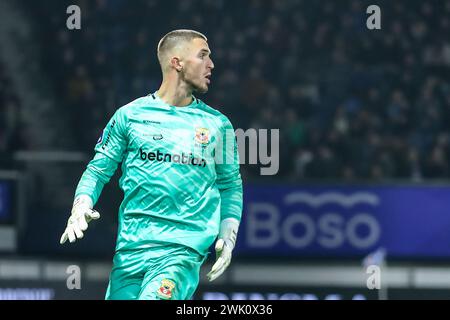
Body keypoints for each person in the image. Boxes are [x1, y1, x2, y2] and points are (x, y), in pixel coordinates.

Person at [59, 29, 243, 300]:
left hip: (180, 250)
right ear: (177, 63)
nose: (211, 64)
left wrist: (228, 234)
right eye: (203, 56)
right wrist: (81, 205)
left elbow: (230, 185)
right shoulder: (130, 116)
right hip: (129, 251)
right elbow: (98, 170)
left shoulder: (218, 125)